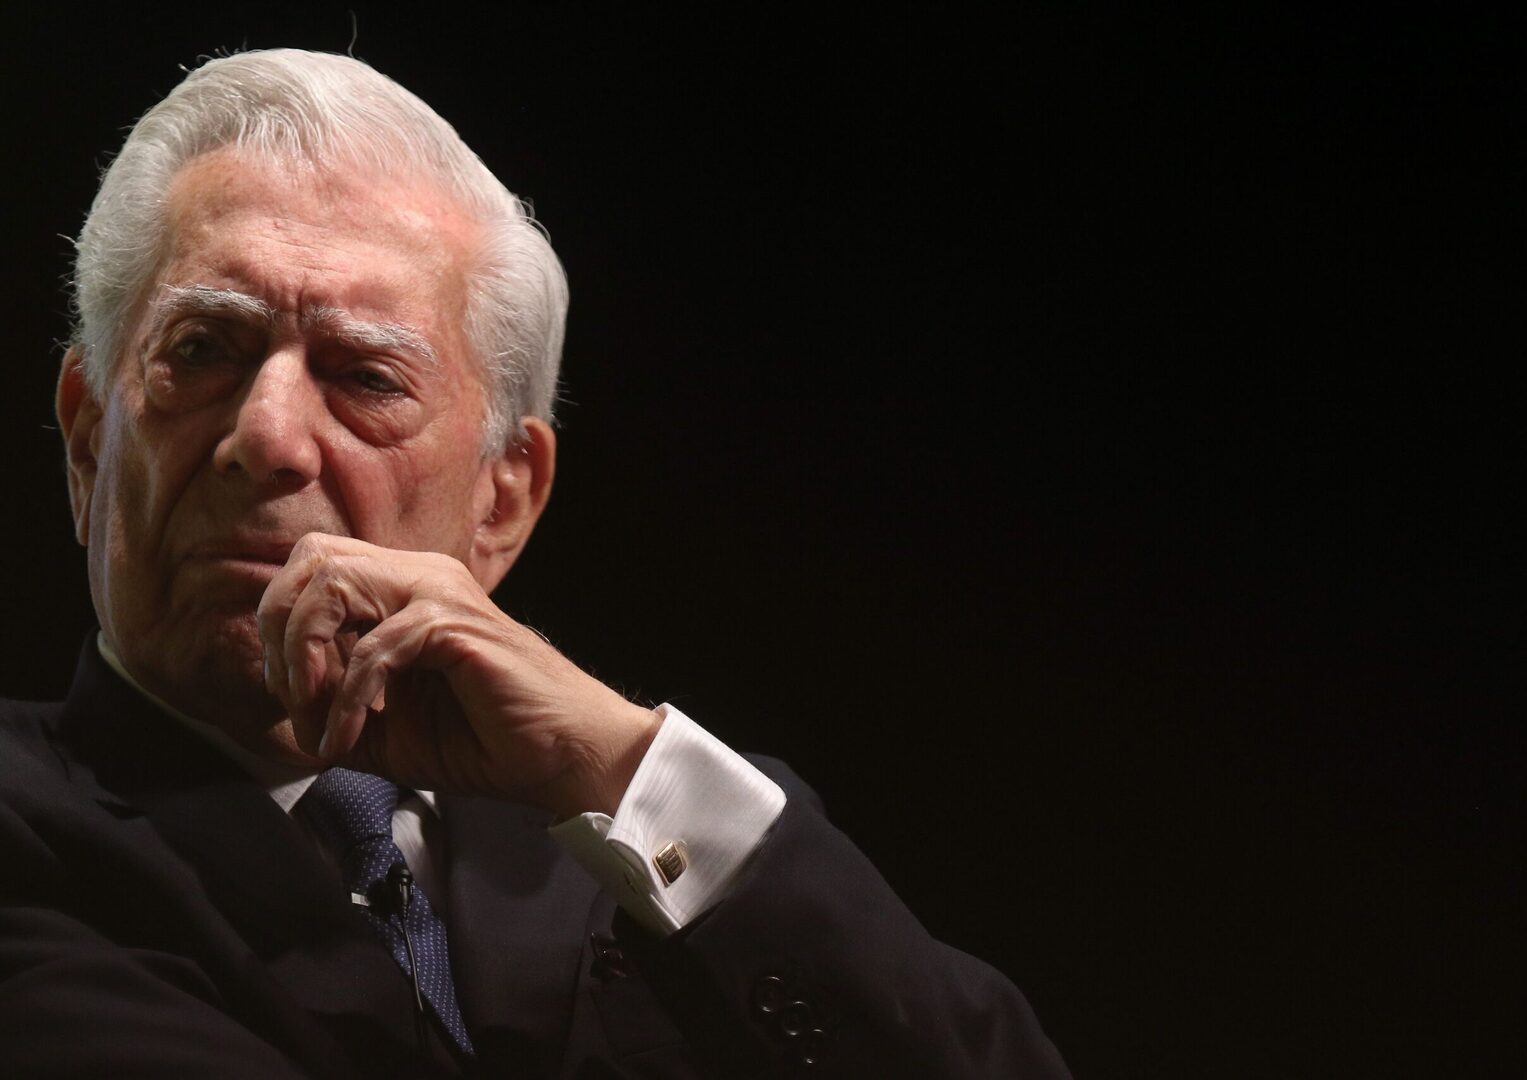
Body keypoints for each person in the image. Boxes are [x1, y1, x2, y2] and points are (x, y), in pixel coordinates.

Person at [0, 49, 1068, 1077]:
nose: (269, 438)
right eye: (200, 350)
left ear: (501, 499)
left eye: (365, 376)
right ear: (88, 444)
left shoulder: (623, 840)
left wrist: (623, 765)